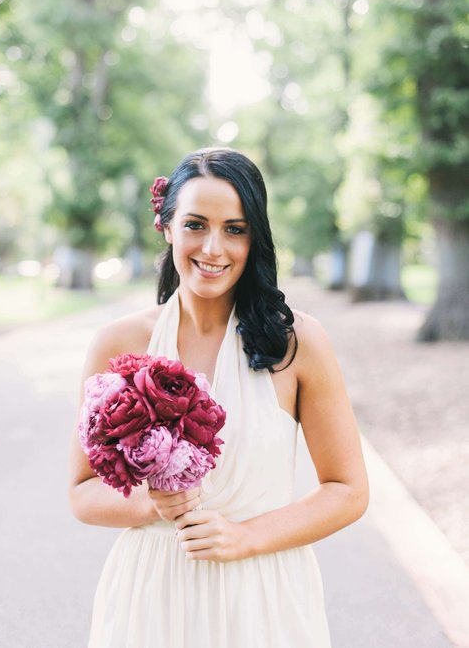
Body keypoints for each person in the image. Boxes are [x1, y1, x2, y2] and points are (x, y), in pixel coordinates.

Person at [69, 146, 369, 648]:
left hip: (263, 598)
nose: (213, 248)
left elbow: (348, 490)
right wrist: (151, 504)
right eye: (195, 225)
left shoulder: (298, 344)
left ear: (255, 237)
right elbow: (81, 492)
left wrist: (246, 537)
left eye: (234, 228)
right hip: (151, 598)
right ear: (166, 227)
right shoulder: (117, 344)